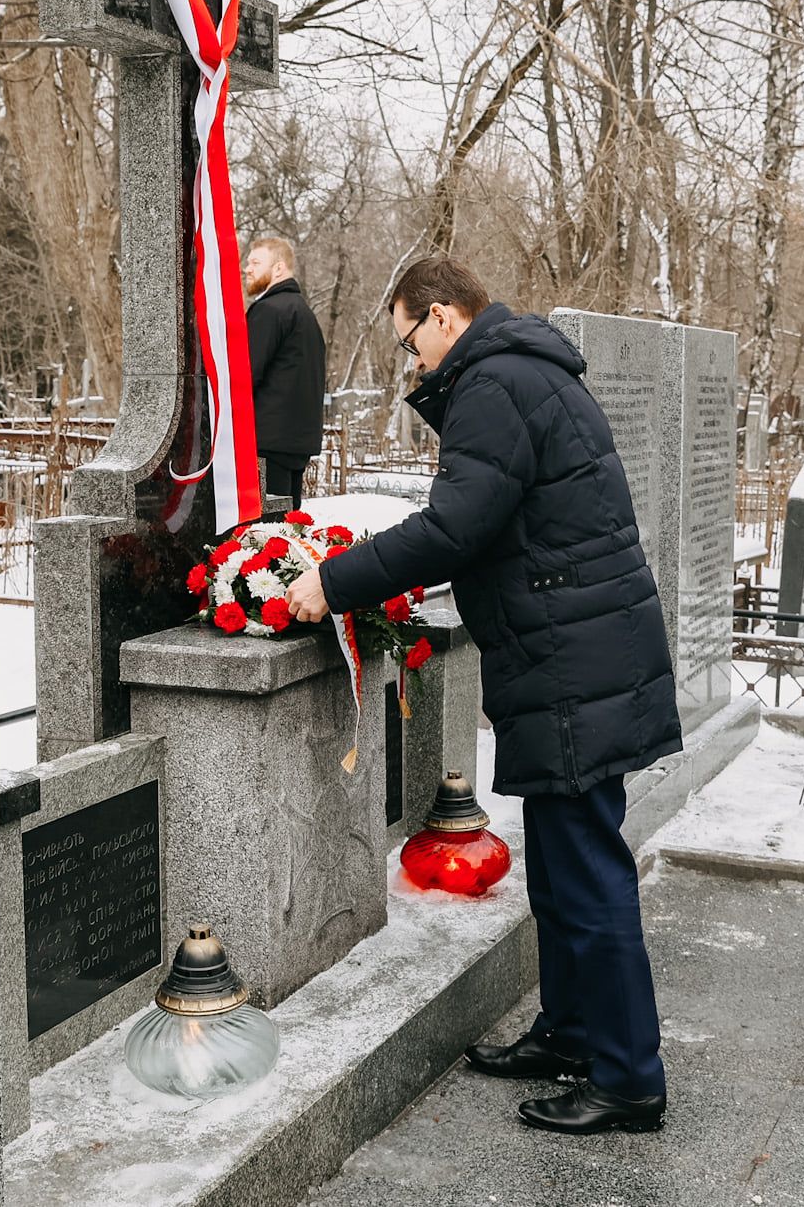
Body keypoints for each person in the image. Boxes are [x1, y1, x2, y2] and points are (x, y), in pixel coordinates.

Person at [283, 255, 678, 1135]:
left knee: (589, 871)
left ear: (442, 316)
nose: (411, 363)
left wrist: (337, 580)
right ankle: (572, 1030)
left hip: (572, 659)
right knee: (561, 864)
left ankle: (628, 1077)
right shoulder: (519, 370)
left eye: (408, 342)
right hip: (569, 648)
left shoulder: (495, 384)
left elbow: (457, 526)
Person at [242, 236, 326, 511]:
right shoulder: (305, 313)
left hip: (266, 444)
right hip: (295, 444)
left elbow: (246, 376)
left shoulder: (269, 310)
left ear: (278, 268)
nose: (247, 269)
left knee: (263, 538)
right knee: (287, 534)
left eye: (255, 262)